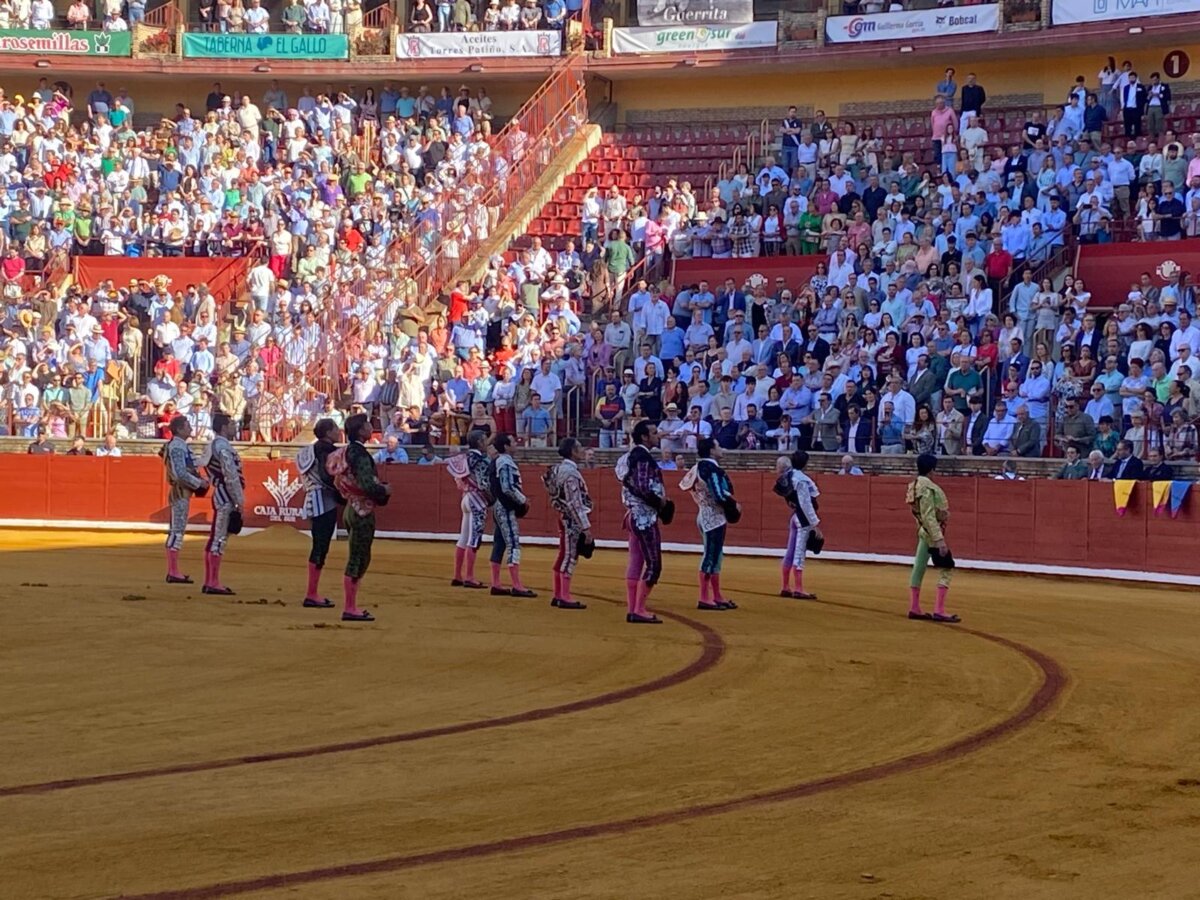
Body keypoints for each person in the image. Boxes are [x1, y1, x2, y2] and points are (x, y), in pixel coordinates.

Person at [326, 413, 391, 622]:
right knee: (358, 558)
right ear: (361, 430)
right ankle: (350, 607)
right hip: (362, 510)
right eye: (367, 424)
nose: (371, 426)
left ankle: (351, 605)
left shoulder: (345, 452)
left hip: (350, 508)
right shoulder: (360, 455)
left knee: (359, 555)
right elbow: (368, 485)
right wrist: (384, 491)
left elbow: (337, 482)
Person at [617, 420, 672, 624]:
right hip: (644, 518)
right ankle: (639, 609)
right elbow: (642, 486)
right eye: (654, 433)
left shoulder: (630, 457)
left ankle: (634, 608)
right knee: (654, 564)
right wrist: (661, 503)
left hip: (632, 515)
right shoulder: (642, 458)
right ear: (644, 437)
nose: (657, 435)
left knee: (636, 561)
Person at [680, 438, 740, 611]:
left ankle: (716, 596)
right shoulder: (711, 469)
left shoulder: (698, 467)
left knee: (715, 556)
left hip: (705, 513)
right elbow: (719, 495)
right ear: (712, 451)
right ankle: (704, 597)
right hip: (713, 517)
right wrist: (734, 505)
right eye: (718, 445)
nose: (721, 448)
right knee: (711, 557)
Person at [906, 453, 958, 623]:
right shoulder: (928, 488)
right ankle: (939, 610)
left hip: (923, 531)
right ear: (931, 470)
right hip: (932, 533)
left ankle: (914, 607)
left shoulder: (914, 486)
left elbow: (921, 515)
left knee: (919, 567)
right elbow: (929, 516)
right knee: (947, 567)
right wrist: (939, 540)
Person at [297, 418, 342, 608]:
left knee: (318, 546)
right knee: (320, 547)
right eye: (335, 428)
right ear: (328, 432)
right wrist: (343, 495)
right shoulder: (328, 451)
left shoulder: (308, 450)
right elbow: (328, 477)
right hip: (325, 501)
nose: (338, 431)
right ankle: (312, 594)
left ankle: (312, 592)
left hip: (311, 499)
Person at [543, 437, 593, 609]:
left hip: (563, 516)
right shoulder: (570, 473)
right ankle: (564, 596)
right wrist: (585, 527)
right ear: (573, 451)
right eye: (579, 447)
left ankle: (558, 594)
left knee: (563, 554)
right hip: (571, 519)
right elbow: (574, 503)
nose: (582, 450)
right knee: (570, 556)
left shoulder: (557, 469)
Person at [199, 413, 244, 595]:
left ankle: (210, 580)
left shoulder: (213, 445)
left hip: (220, 493)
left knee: (215, 538)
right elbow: (231, 475)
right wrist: (239, 501)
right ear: (224, 427)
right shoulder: (223, 447)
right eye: (232, 423)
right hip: (226, 496)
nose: (235, 426)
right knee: (220, 539)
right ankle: (213, 582)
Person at [161, 415, 209, 584]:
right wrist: (200, 483)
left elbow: (190, 467)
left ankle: (173, 570)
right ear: (180, 429)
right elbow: (181, 474)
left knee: (177, 529)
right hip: (181, 491)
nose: (190, 428)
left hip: (182, 490)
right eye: (187, 425)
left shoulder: (179, 445)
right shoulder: (177, 447)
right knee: (177, 530)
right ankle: (173, 571)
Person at [487, 432, 535, 597]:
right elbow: (507, 487)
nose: (516, 444)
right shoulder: (505, 462)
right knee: (513, 543)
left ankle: (496, 584)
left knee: (499, 543)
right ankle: (516, 585)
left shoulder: (497, 462)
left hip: (498, 506)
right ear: (506, 446)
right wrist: (523, 500)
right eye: (513, 442)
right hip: (505, 507)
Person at [448, 430, 493, 590]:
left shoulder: (464, 458)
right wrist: (491, 497)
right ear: (480, 442)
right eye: (485, 440)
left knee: (463, 537)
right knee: (474, 539)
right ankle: (469, 577)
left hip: (466, 497)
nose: (487, 442)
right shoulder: (481, 460)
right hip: (478, 501)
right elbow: (483, 484)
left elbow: (458, 479)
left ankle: (457, 575)